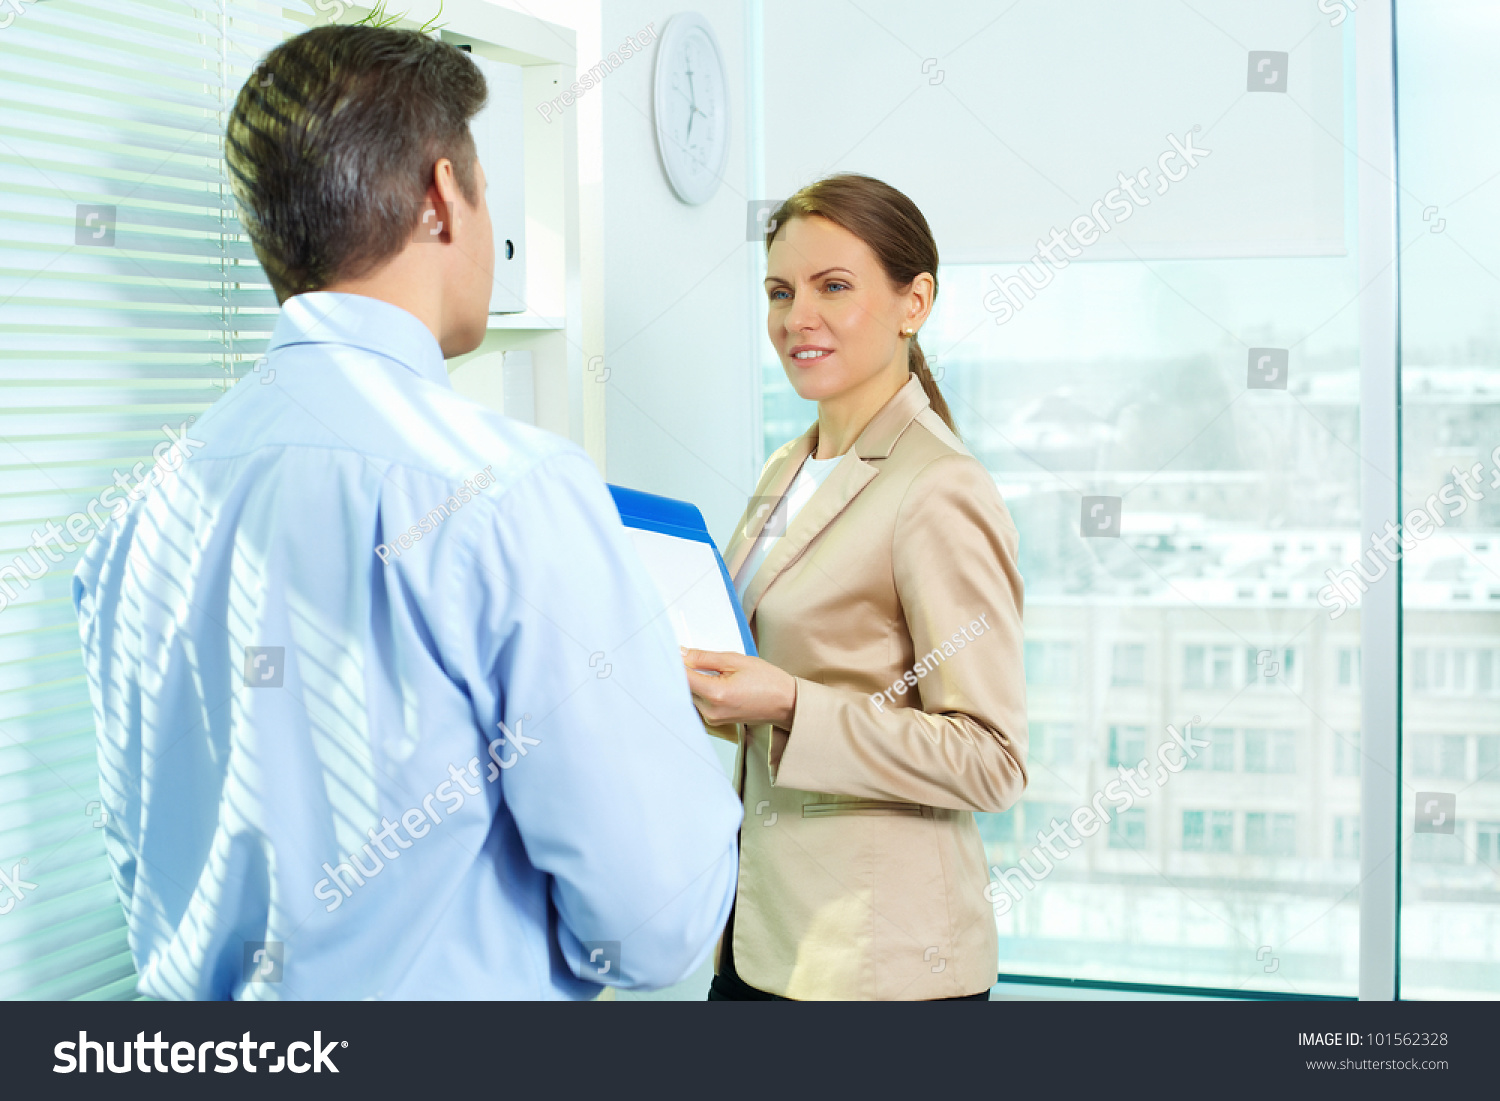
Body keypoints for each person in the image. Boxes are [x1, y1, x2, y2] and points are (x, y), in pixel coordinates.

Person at [71, 25, 741, 1000]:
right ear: (441, 199)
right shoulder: (512, 491)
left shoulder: (139, 514)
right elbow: (655, 927)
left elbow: (147, 870)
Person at [683, 175, 1027, 1001]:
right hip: (764, 942)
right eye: (780, 290)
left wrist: (790, 704)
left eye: (833, 286)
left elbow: (992, 761)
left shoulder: (939, 486)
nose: (797, 316)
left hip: (881, 967)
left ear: (915, 301)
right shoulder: (789, 465)